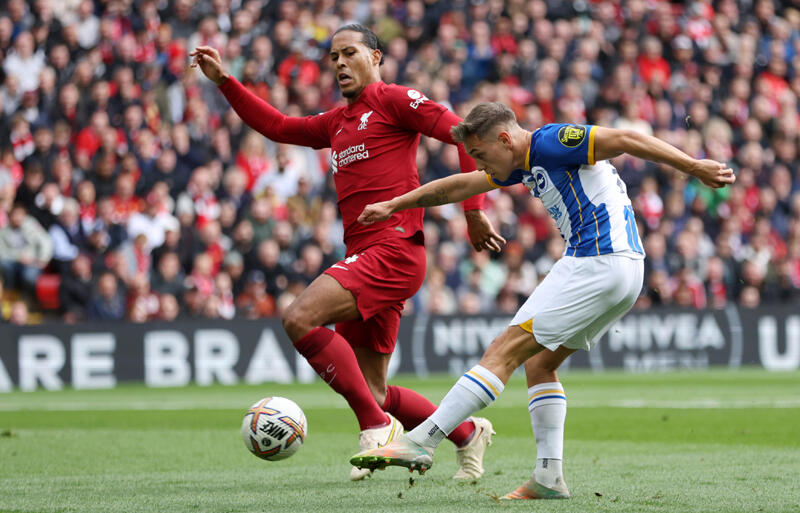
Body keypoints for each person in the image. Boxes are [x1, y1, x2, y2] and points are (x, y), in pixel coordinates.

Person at [351, 102, 735, 498]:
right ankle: (548, 477)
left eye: (480, 154)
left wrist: (693, 166)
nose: (479, 164)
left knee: (502, 351)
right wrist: (395, 205)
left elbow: (625, 138)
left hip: (597, 259)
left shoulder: (552, 141)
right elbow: (459, 186)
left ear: (505, 139)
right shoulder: (521, 163)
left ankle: (423, 440)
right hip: (623, 270)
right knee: (539, 363)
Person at [190, 24, 506, 481]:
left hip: (393, 250)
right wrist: (225, 81)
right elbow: (277, 126)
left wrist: (473, 212)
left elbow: (464, 134)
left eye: (350, 52)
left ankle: (376, 427)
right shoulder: (336, 122)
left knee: (299, 318)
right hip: (367, 254)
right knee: (373, 389)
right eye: (333, 56)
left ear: (375, 57)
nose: (339, 62)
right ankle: (467, 433)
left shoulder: (394, 100)